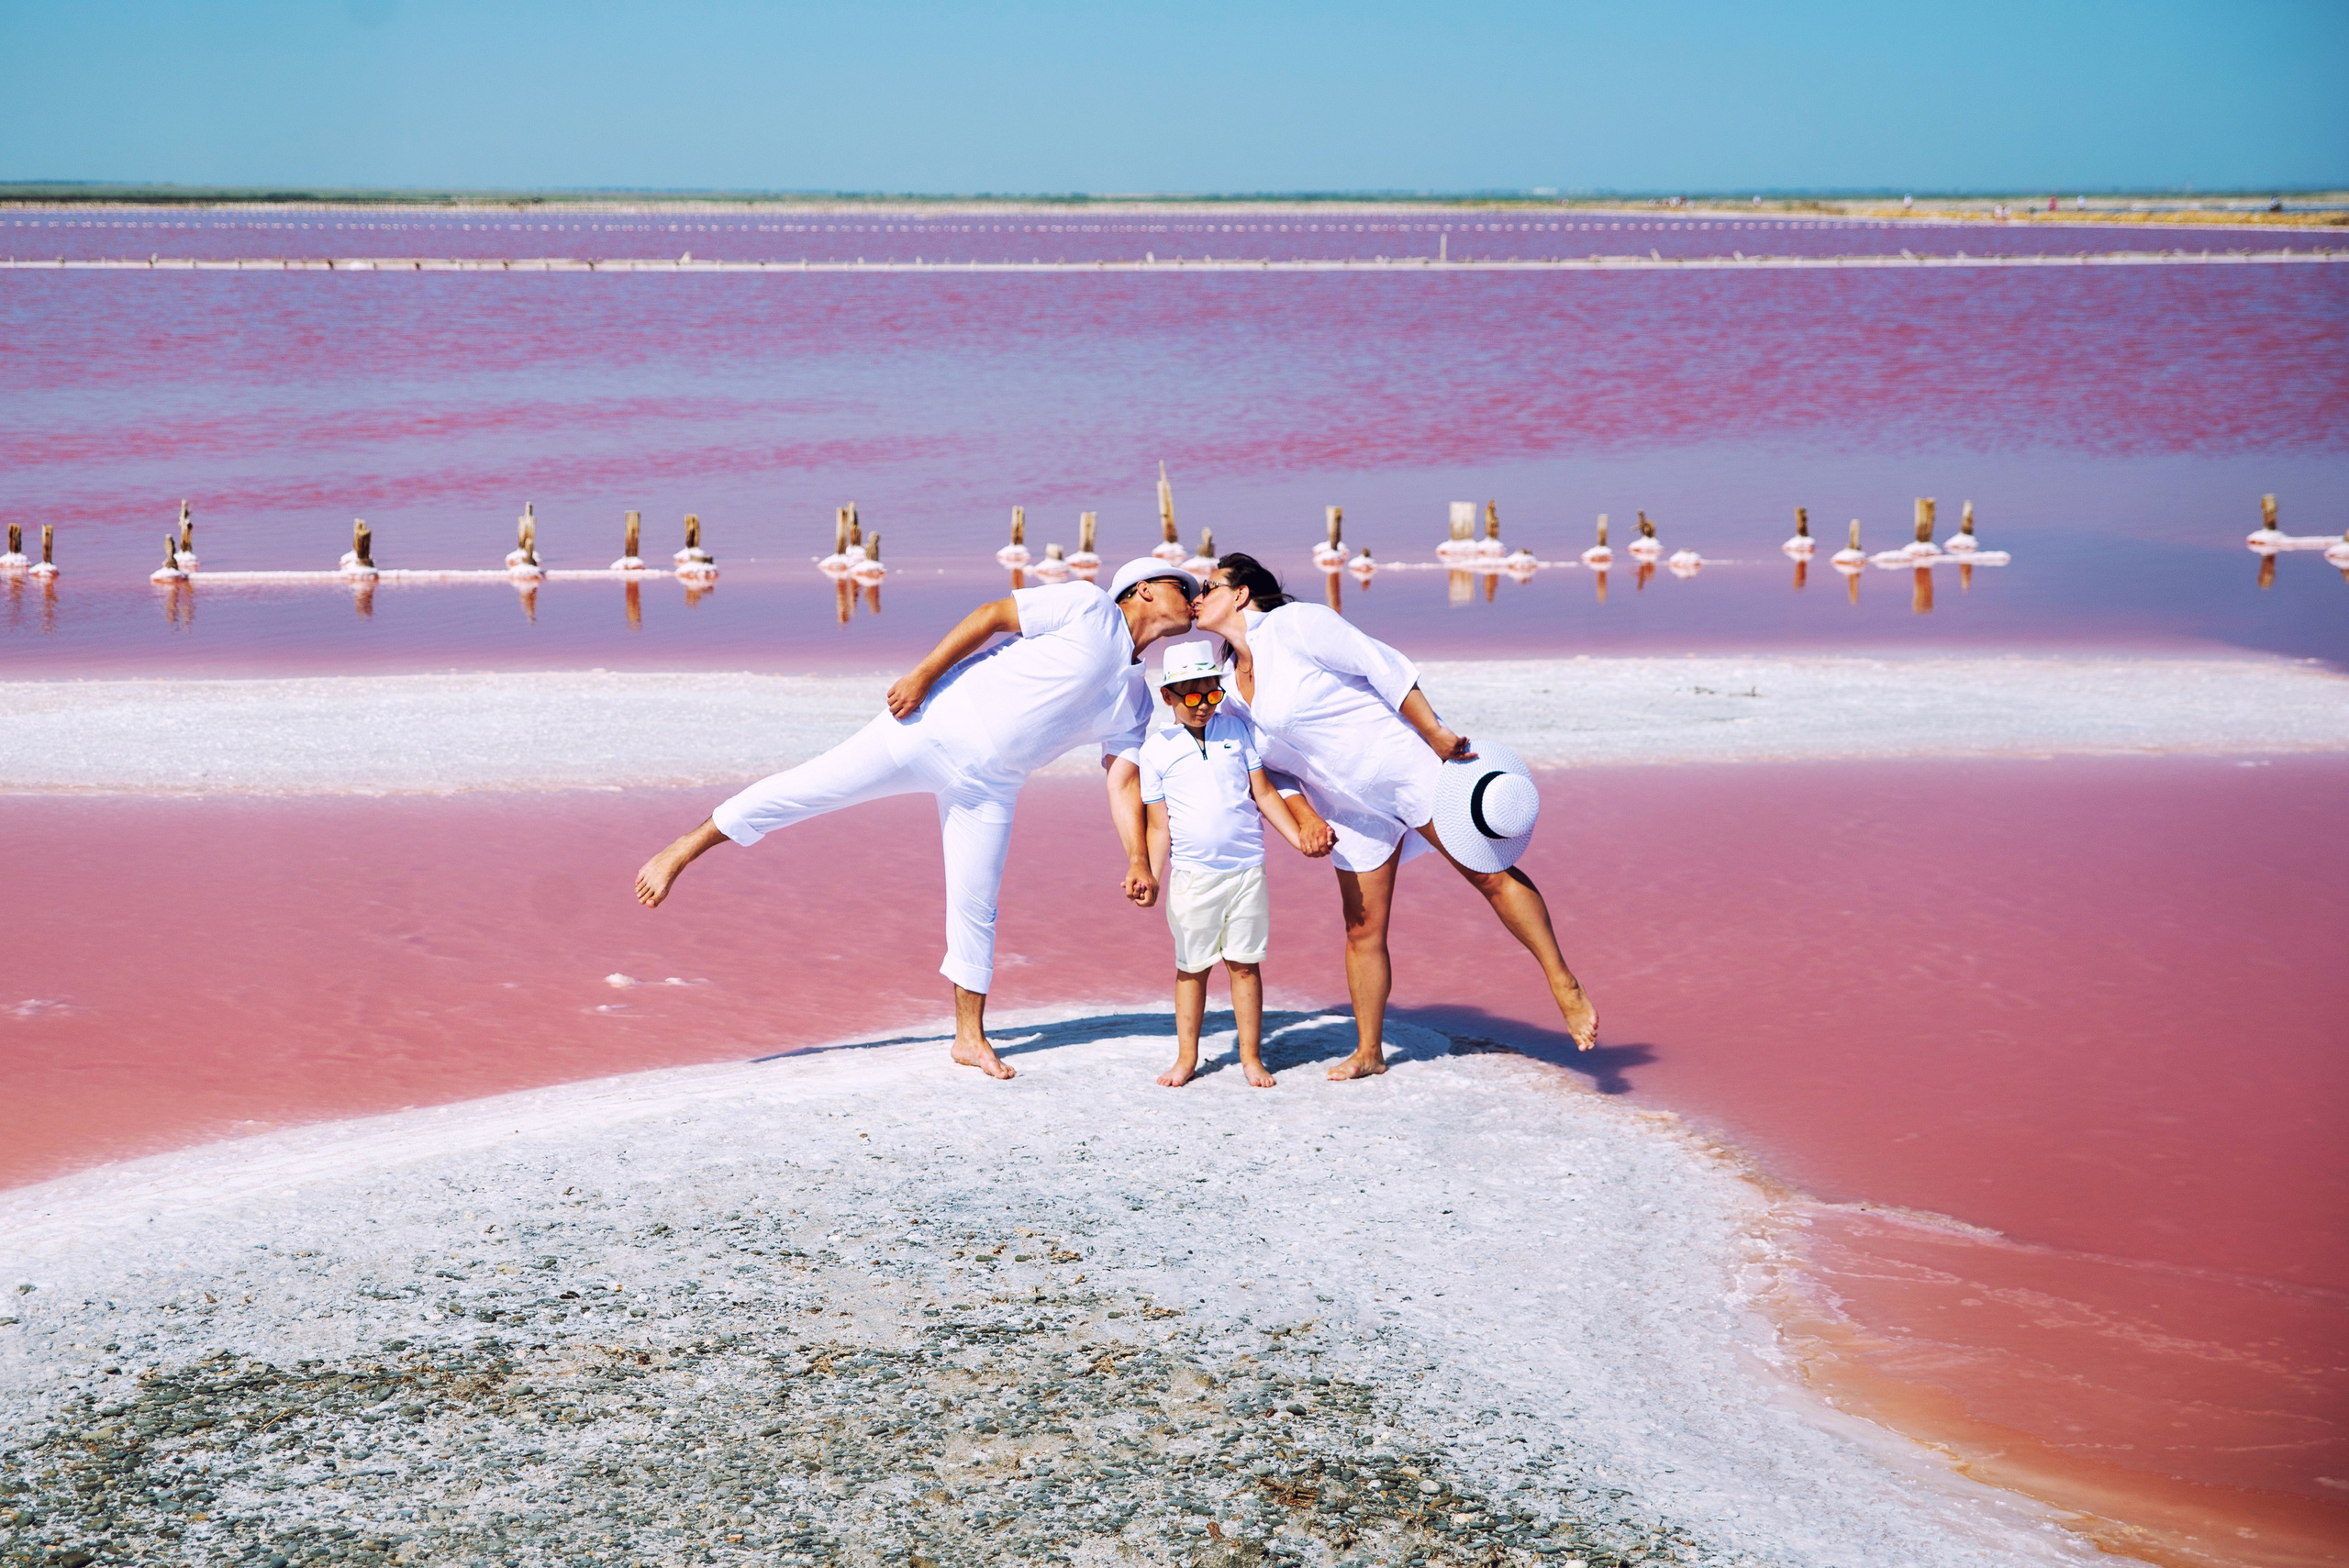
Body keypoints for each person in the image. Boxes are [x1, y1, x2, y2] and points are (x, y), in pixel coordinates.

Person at [632, 559, 1201, 1080]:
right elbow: (992, 617)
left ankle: (968, 1038)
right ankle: (686, 846)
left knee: (977, 905)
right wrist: (922, 675)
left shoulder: (1137, 700)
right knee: (809, 788)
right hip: (928, 728)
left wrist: (1137, 857)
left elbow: (1123, 781)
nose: (1195, 597)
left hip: (991, 789)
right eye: (1186, 587)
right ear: (1144, 589)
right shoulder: (1088, 604)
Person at [1189, 553, 1598, 1079]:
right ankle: (1370, 1052)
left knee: (1488, 874)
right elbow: (1268, 768)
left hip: (1406, 769)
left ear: (1241, 594)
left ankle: (1563, 981)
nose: (1197, 597)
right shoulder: (1227, 687)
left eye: (1207, 586)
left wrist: (1434, 733)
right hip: (1349, 811)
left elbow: (1381, 665)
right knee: (1362, 929)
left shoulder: (1297, 625)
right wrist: (1306, 816)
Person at [1135, 639, 1324, 1088]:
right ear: (1168, 696)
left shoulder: (1236, 731)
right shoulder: (1155, 751)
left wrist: (1298, 837)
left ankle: (1250, 1057)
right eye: (1192, 697)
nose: (1204, 705)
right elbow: (1158, 827)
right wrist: (1150, 875)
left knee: (1245, 965)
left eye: (1212, 693)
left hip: (1246, 870)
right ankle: (1187, 1058)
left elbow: (1264, 794)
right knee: (1192, 968)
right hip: (1192, 877)